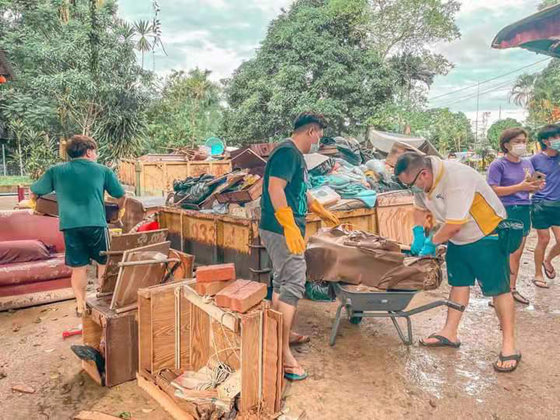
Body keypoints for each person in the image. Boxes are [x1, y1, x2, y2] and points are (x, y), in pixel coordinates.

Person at [396, 152, 521, 373]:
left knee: (499, 290)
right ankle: (449, 333)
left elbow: (454, 224)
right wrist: (417, 232)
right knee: (459, 283)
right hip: (457, 237)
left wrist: (431, 243)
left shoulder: (457, 178)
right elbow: (418, 208)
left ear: (423, 174)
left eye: (412, 184)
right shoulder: (422, 182)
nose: (412, 189)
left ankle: (509, 345)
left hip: (486, 235)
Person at [259, 112, 340, 381]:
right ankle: (282, 355)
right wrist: (288, 224)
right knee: (293, 284)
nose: (317, 141)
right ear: (311, 131)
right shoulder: (287, 152)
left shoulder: (296, 156)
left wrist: (318, 207)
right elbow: (275, 189)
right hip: (283, 230)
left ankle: (281, 333)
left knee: (282, 282)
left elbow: (298, 189)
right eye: (318, 135)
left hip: (285, 228)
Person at [30, 135, 126, 317]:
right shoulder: (103, 171)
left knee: (78, 267)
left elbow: (34, 192)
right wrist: (118, 212)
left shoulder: (56, 171)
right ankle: (102, 299)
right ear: (89, 152)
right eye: (95, 152)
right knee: (104, 262)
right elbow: (121, 195)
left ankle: (80, 305)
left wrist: (37, 208)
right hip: (97, 224)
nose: (96, 155)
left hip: (70, 225)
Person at [487, 128, 544, 304]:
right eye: (517, 141)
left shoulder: (527, 163)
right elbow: (493, 190)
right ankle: (498, 292)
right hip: (505, 211)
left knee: (516, 253)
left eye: (524, 141)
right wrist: (520, 187)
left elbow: (531, 184)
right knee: (502, 253)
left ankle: (511, 289)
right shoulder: (498, 165)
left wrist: (536, 186)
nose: (522, 145)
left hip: (523, 210)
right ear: (506, 145)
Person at [530, 124, 560, 288]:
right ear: (545, 141)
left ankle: (547, 260)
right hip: (540, 204)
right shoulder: (535, 160)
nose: (558, 140)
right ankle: (537, 274)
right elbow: (530, 181)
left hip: (558, 204)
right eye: (555, 137)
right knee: (543, 239)